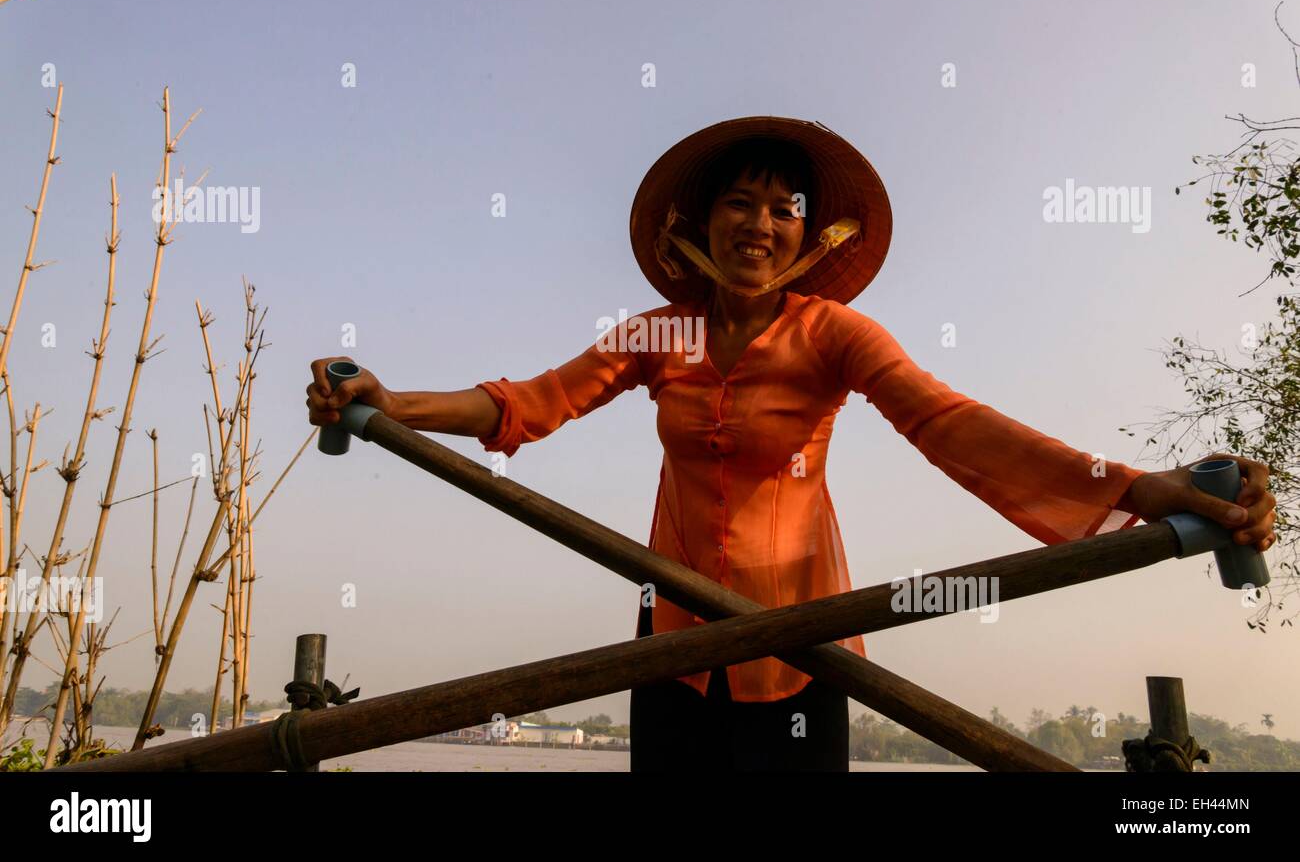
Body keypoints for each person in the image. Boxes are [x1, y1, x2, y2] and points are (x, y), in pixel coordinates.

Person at [307, 116, 1278, 772]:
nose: (760, 225)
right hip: (673, 647)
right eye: (740, 203)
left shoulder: (831, 335)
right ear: (703, 226)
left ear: (810, 235)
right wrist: (393, 402)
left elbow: (948, 426)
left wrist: (1139, 492)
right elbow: (525, 405)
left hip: (804, 650)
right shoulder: (660, 334)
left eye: (783, 208)